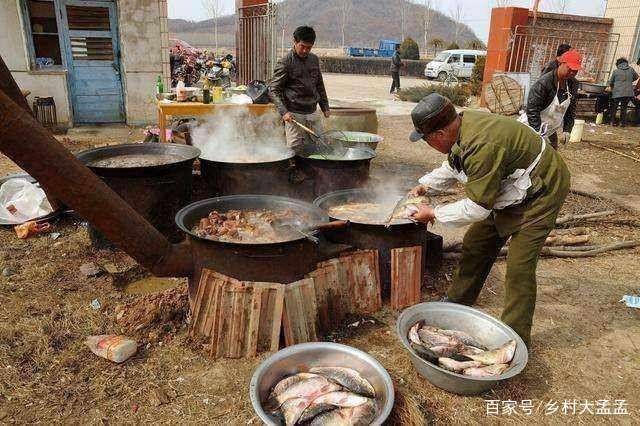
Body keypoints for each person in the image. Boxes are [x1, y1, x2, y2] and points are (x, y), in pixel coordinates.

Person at [407, 94, 570, 345]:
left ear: (438, 134)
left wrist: (433, 213)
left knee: (519, 267)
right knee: (476, 243)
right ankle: (458, 301)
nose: (428, 143)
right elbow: (454, 165)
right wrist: (425, 186)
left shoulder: (482, 145)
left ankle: (516, 338)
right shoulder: (460, 127)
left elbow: (477, 208)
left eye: (426, 139)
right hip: (511, 187)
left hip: (541, 191)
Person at [268, 26, 330, 154]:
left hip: (312, 111)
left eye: (309, 47)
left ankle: (315, 172)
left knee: (318, 143)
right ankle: (293, 172)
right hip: (294, 113)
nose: (305, 50)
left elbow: (319, 84)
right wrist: (284, 111)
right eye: (302, 46)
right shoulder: (285, 62)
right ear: (294, 42)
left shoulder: (314, 59)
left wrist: (325, 106)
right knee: (294, 148)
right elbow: (273, 90)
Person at [524, 49, 582, 150]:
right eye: (570, 68)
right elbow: (532, 110)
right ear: (561, 64)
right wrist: (539, 133)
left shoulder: (573, 84)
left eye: (575, 70)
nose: (572, 73)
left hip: (550, 128)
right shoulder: (544, 83)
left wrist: (567, 130)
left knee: (551, 154)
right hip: (531, 126)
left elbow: (570, 110)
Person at [607, 57, 639, 127]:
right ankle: (622, 123)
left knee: (614, 107)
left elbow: (611, 82)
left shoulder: (616, 71)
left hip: (617, 92)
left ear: (618, 64)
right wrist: (629, 81)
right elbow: (636, 77)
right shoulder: (631, 69)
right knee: (624, 108)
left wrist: (612, 87)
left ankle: (612, 122)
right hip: (628, 93)